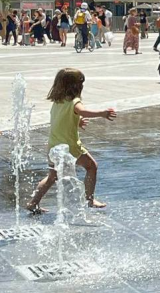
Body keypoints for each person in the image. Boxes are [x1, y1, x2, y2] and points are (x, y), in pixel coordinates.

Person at [26, 68, 117, 213]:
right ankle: (90, 199)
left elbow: (62, 119)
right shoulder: (75, 101)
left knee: (52, 176)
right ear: (75, 86)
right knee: (91, 167)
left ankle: (33, 202)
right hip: (69, 147)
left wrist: (77, 122)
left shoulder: (58, 102)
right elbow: (82, 111)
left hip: (53, 146)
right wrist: (102, 113)